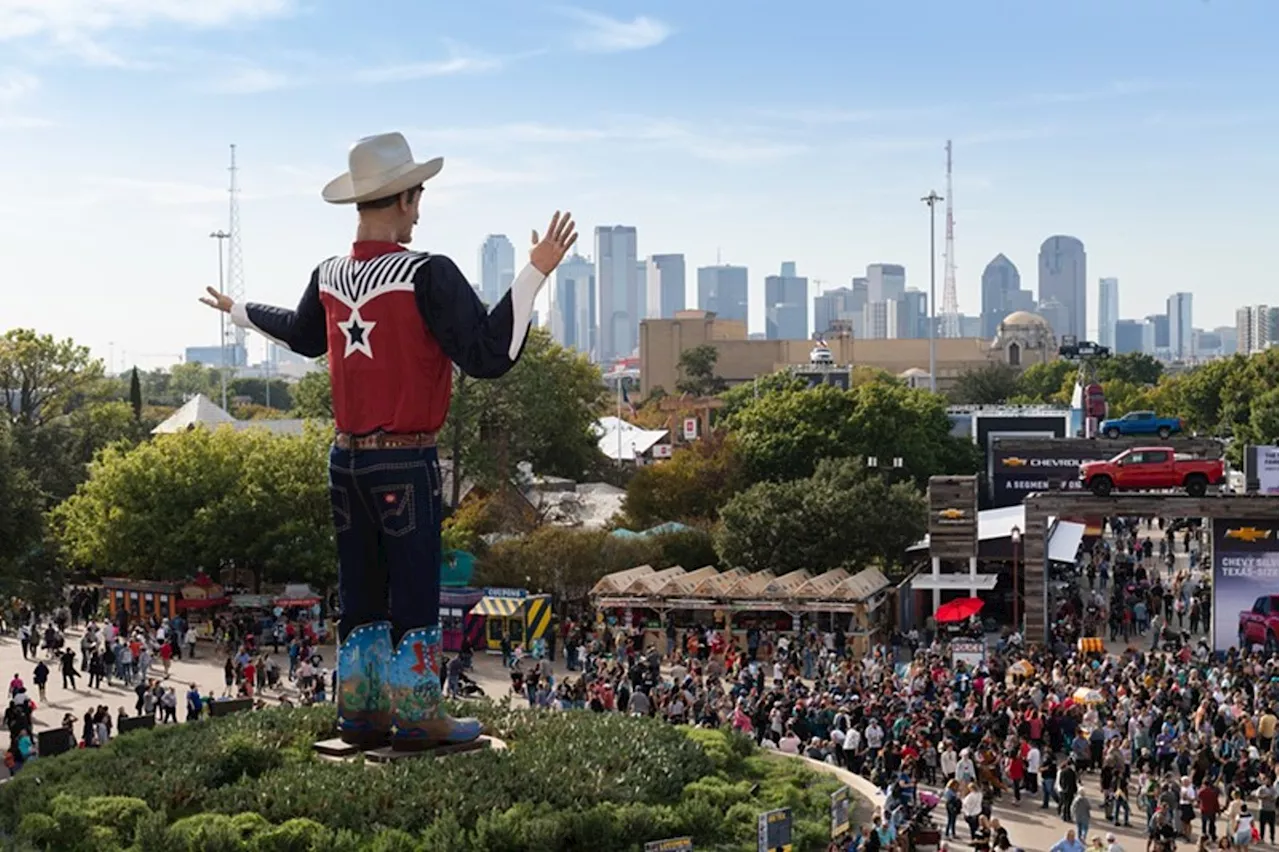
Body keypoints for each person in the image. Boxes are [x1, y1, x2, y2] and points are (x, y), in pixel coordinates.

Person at [201, 131, 577, 752]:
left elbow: (301, 336)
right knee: (414, 589)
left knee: (361, 588)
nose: (421, 207)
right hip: (405, 459)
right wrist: (535, 272)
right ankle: (420, 715)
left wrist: (240, 311)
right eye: (419, 194)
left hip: (343, 461)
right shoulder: (426, 272)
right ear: (403, 198)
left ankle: (361, 714)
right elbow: (487, 354)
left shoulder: (329, 275)